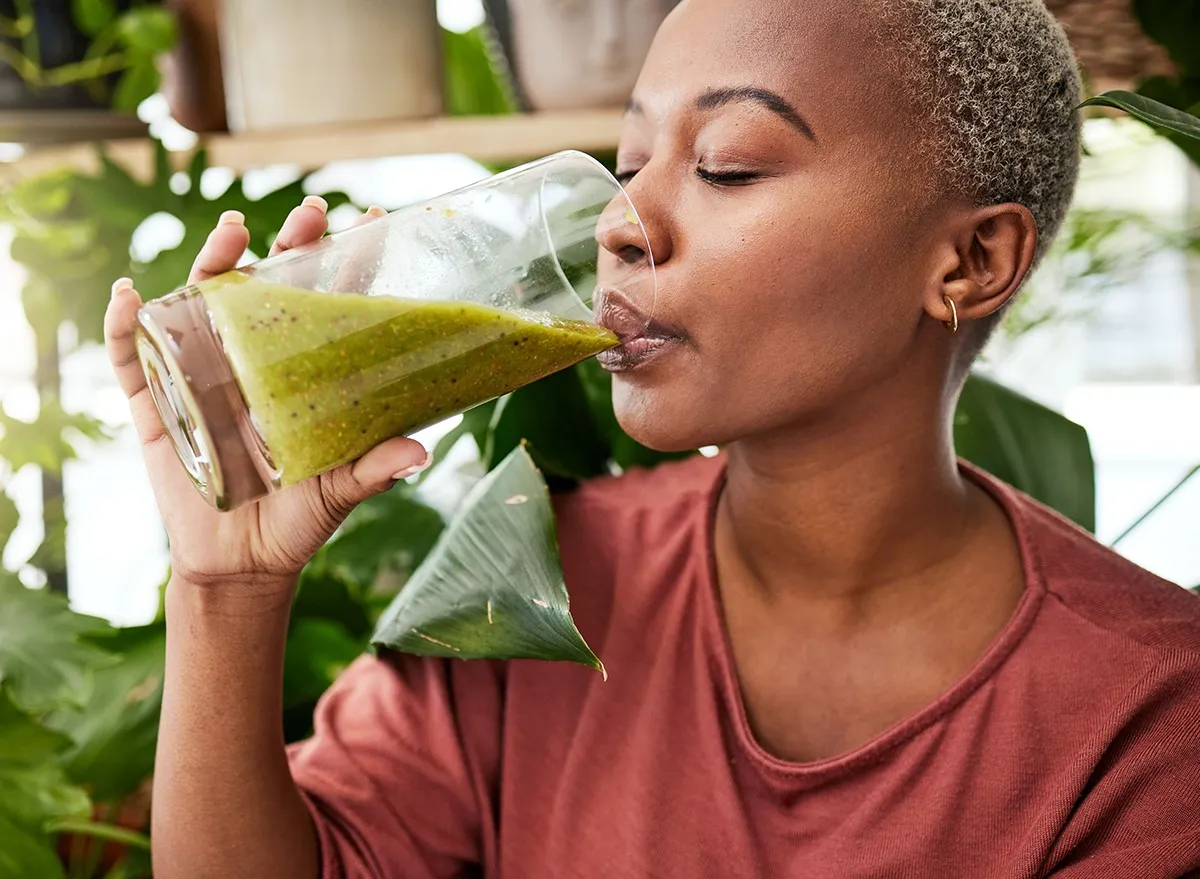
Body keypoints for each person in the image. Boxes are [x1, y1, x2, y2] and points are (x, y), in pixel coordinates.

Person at [104, 0, 1200, 876]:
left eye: (726, 164)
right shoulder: (532, 581)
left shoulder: (1149, 719)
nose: (624, 223)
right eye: (628, 161)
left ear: (970, 263)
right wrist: (225, 589)